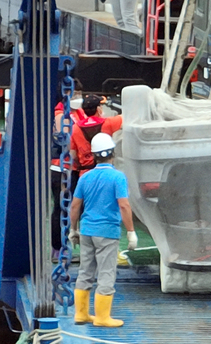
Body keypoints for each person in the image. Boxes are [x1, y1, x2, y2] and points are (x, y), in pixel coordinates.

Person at [70, 133, 138, 327]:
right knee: (107, 273)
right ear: (112, 154)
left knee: (85, 272)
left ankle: (81, 314)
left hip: (87, 230)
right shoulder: (117, 177)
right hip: (107, 232)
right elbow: (124, 205)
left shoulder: (85, 177)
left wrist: (73, 230)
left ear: (94, 156)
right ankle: (102, 317)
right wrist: (131, 232)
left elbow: (75, 206)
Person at [51, 79, 86, 260]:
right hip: (60, 168)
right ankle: (57, 247)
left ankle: (73, 241)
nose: (78, 97)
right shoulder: (59, 114)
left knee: (77, 206)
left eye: (80, 93)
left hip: (77, 168)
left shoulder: (80, 112)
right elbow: (63, 137)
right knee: (60, 207)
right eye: (75, 93)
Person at [71, 94, 123, 174]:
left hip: (85, 173)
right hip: (106, 171)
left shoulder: (75, 128)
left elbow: (73, 155)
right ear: (99, 109)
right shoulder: (109, 123)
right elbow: (128, 117)